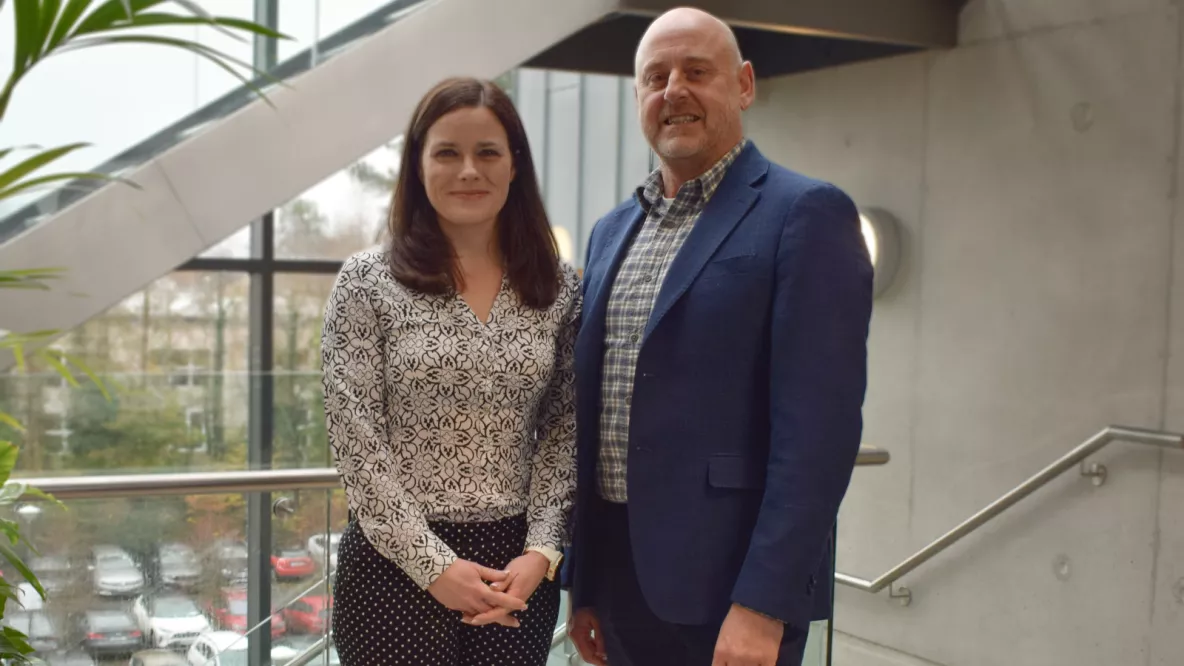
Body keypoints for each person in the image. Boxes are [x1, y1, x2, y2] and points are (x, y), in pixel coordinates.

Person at [567, 8, 874, 666]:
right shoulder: (609, 231)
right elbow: (594, 415)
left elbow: (817, 436)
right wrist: (585, 582)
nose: (673, 89)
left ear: (744, 85)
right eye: (656, 77)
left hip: (732, 592)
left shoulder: (806, 213)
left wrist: (766, 601)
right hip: (620, 585)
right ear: (637, 98)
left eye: (696, 72)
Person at [320, 76, 579, 666]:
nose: (469, 170)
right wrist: (435, 567)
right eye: (447, 153)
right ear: (417, 166)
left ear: (515, 166)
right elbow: (357, 444)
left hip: (514, 570)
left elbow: (564, 430)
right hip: (394, 568)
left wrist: (541, 552)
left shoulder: (561, 289)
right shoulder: (365, 283)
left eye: (488, 152)